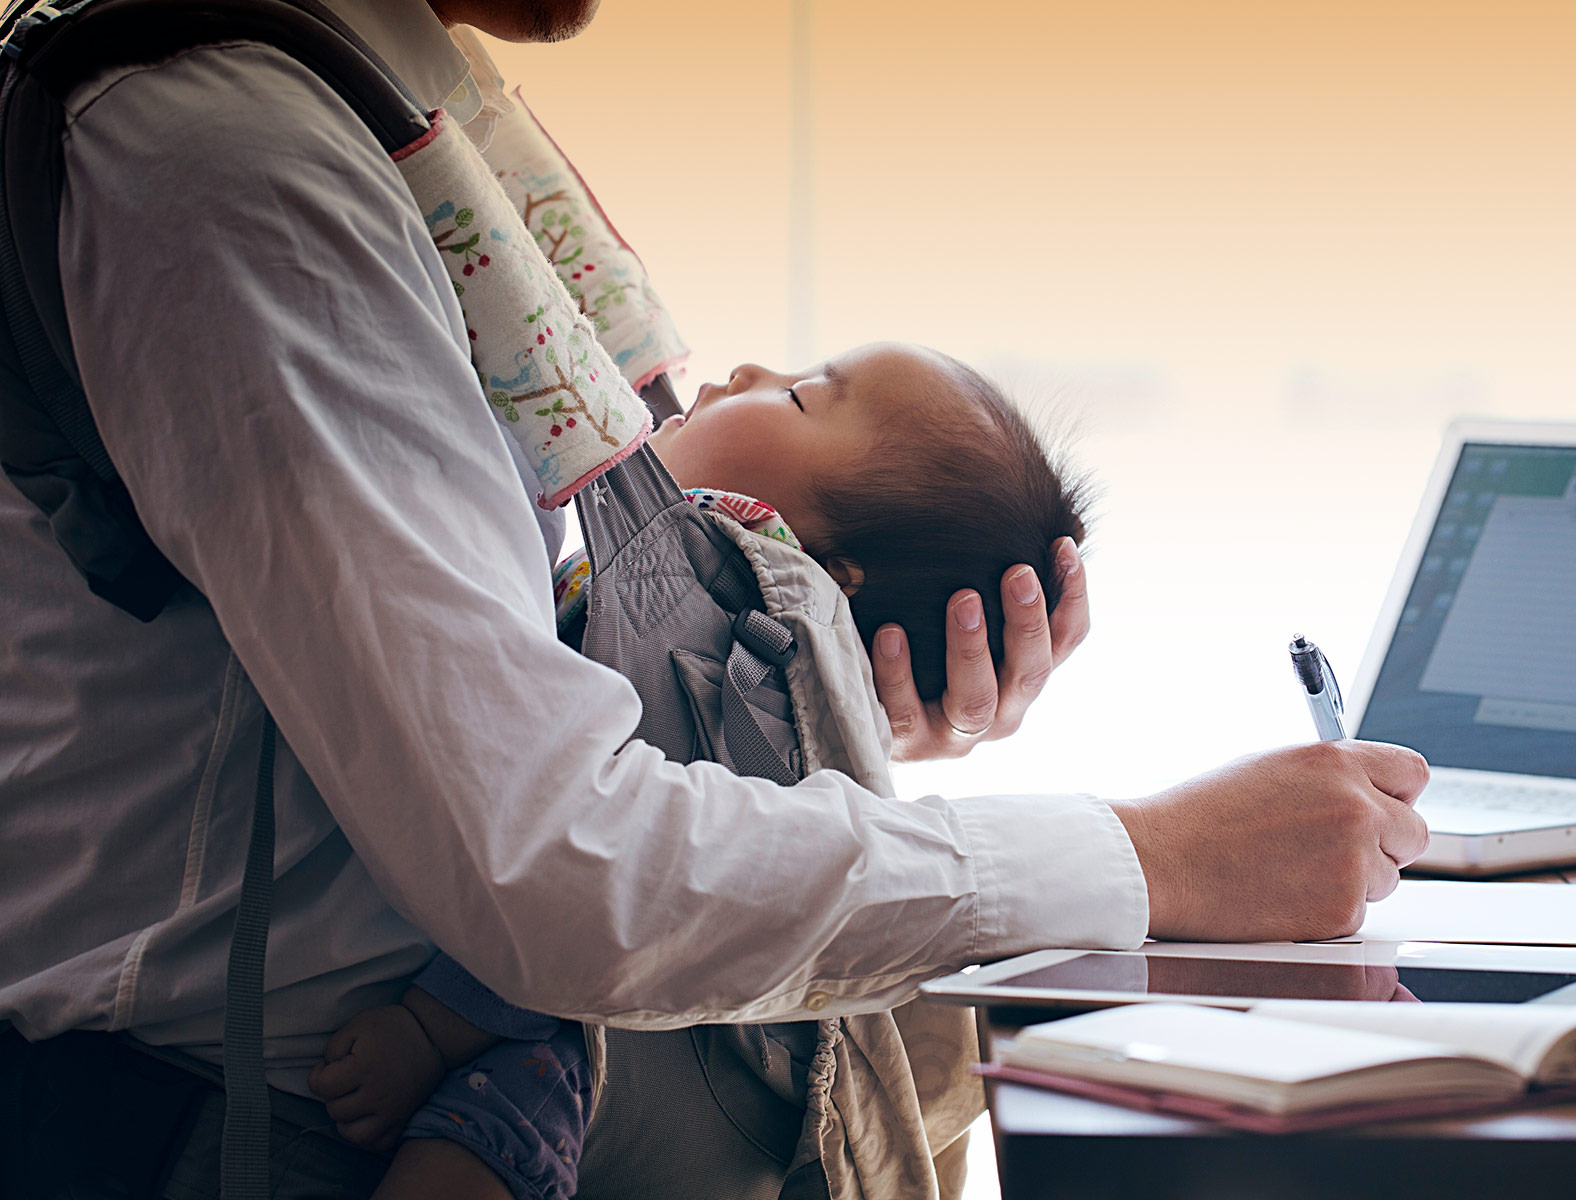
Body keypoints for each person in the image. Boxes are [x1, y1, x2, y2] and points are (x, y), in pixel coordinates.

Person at [0, 0, 1430, 1193]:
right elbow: (552, 870)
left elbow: (482, 681)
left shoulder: (403, 76)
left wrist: (828, 727)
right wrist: (1154, 857)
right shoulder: (229, 154)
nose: (745, 380)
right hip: (219, 1131)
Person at [311, 340, 1093, 1200]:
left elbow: (600, 867)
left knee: (488, 1135)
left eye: (802, 399)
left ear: (828, 573)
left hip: (564, 1049)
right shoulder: (670, 598)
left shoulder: (739, 663)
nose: (749, 373)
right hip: (531, 973)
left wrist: (431, 1032)